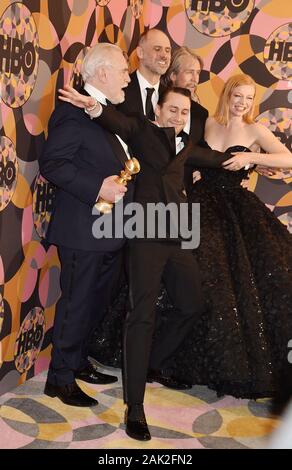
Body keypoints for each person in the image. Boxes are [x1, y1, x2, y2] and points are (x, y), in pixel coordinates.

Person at [58, 83, 234, 440]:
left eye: (184, 112)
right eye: (172, 109)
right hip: (145, 233)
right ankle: (134, 408)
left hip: (179, 235)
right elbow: (112, 119)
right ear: (158, 109)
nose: (178, 116)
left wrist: (249, 158)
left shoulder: (188, 147)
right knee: (142, 314)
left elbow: (219, 159)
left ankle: (152, 363)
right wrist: (91, 105)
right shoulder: (142, 130)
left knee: (192, 304)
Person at [172, 73, 292, 400]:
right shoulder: (208, 123)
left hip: (236, 210)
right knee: (188, 278)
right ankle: (173, 360)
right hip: (199, 203)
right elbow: (186, 153)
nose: (242, 103)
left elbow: (287, 158)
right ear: (227, 95)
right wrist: (195, 171)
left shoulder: (254, 130)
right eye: (238, 96)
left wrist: (250, 157)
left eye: (249, 98)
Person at [39, 43, 133, 407]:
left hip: (110, 230)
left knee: (95, 302)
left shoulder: (109, 113)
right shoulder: (71, 113)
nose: (128, 76)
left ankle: (76, 363)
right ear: (104, 73)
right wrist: (98, 187)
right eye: (124, 70)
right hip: (82, 228)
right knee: (77, 304)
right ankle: (59, 379)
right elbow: (53, 164)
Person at [117, 28, 171, 118]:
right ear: (140, 52)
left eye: (167, 50)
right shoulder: (120, 88)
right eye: (157, 49)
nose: (164, 56)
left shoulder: (170, 96)